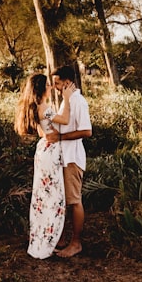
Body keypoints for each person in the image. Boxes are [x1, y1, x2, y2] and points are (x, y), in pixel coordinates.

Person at [15, 73, 71, 259]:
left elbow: (44, 131)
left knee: (42, 196)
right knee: (53, 197)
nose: (50, 87)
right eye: (47, 85)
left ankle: (45, 238)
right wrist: (67, 99)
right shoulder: (45, 107)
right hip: (50, 152)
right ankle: (50, 239)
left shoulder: (34, 107)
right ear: (41, 89)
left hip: (43, 150)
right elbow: (65, 120)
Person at [46, 65, 92, 258]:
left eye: (57, 82)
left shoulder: (78, 102)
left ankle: (76, 243)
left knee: (74, 201)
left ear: (67, 82)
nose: (55, 86)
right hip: (63, 158)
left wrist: (61, 138)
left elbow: (87, 131)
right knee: (63, 200)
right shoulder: (67, 101)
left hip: (73, 158)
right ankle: (63, 239)